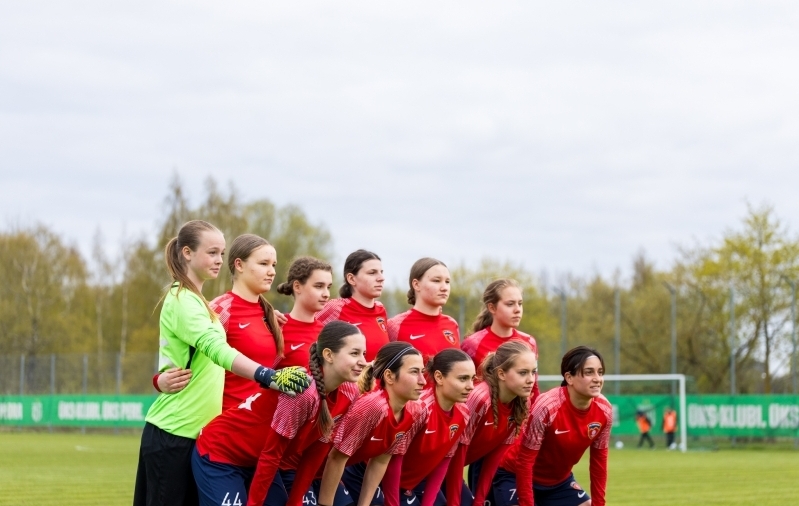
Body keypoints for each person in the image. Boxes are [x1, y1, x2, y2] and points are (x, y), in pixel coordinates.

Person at [133, 220, 309, 506]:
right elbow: (217, 350)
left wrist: (161, 377)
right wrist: (267, 375)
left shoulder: (199, 302)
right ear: (187, 253)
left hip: (201, 434)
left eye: (221, 253)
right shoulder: (182, 299)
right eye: (212, 252)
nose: (219, 260)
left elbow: (176, 353)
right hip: (174, 432)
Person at [191, 321, 365, 506]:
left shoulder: (349, 393)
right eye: (355, 353)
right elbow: (271, 454)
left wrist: (295, 501)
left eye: (364, 353)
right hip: (221, 453)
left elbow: (315, 454)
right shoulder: (303, 392)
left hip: (256, 462)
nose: (363, 361)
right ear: (328, 355)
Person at [494, 346, 613, 506]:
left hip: (559, 483)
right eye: (589, 372)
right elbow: (525, 462)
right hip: (514, 476)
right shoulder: (547, 406)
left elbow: (599, 462)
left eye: (600, 372)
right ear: (569, 378)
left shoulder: (604, 410)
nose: (597, 378)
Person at [317, 342, 429, 506]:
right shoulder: (373, 406)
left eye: (422, 372)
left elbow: (381, 460)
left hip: (333, 470)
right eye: (414, 372)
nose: (422, 381)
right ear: (389, 376)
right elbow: (335, 458)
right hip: (309, 469)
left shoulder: (416, 410)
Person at [445, 340, 537, 506]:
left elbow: (494, 459)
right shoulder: (481, 399)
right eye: (523, 373)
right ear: (501, 374)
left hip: (448, 472)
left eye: (533, 372)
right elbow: (455, 454)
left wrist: (479, 500)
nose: (531, 379)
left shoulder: (522, 403)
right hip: (433, 470)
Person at [382, 348, 475, 506]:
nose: (471, 386)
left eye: (473, 378)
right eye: (463, 379)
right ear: (439, 377)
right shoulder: (419, 409)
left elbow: (442, 462)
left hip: (414, 484)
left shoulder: (464, 412)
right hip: (382, 481)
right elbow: (392, 461)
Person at [317, 249, 389, 362]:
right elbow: (304, 327)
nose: (381, 278)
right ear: (351, 278)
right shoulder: (336, 307)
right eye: (372, 273)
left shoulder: (380, 309)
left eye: (381, 272)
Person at [388, 258, 459, 362]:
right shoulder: (395, 325)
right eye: (436, 281)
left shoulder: (452, 324)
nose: (444, 287)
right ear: (416, 284)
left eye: (447, 282)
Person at [276, 256, 333, 369]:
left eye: (328, 287)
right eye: (319, 286)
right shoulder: (277, 327)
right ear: (297, 287)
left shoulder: (327, 333)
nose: (326, 294)